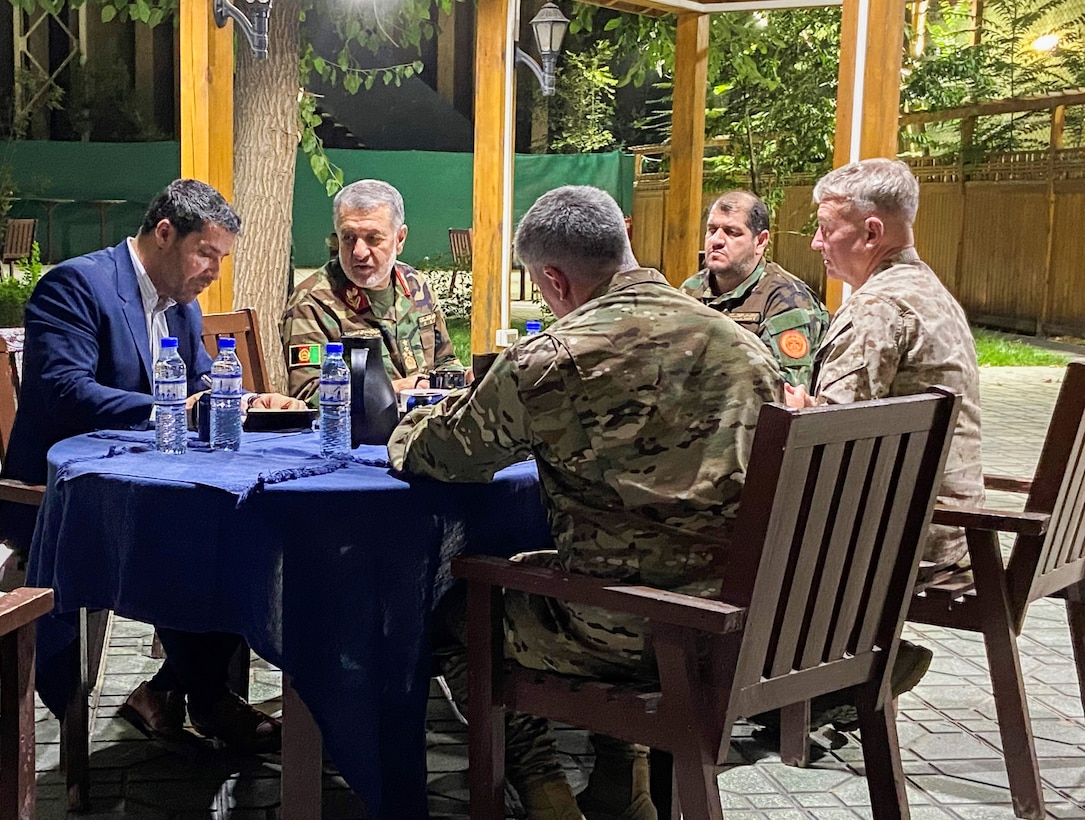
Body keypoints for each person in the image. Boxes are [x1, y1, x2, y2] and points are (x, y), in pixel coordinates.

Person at [389, 186, 782, 820]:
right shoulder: (741, 343)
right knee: (601, 565)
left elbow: (446, 454)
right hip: (739, 624)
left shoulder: (556, 358)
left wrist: (405, 425)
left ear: (553, 278)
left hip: (625, 632)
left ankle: (543, 790)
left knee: (447, 610)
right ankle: (620, 784)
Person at [0, 179, 304, 752]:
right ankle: (208, 700)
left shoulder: (181, 306)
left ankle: (174, 689)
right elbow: (66, 391)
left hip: (153, 481)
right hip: (65, 496)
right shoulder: (75, 286)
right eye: (205, 253)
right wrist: (175, 405)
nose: (214, 270)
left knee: (242, 528)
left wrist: (243, 399)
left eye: (222, 258)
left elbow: (199, 382)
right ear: (164, 233)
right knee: (200, 536)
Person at [786, 158, 985, 582]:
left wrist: (799, 410)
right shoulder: (932, 292)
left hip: (899, 544)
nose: (816, 243)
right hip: (955, 535)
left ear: (872, 232)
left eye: (825, 228)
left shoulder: (875, 308)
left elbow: (826, 445)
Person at [280, 179, 462, 405]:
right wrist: (395, 390)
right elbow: (308, 397)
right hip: (359, 435)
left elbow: (446, 362)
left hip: (425, 428)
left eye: (372, 238)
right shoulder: (313, 303)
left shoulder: (416, 286)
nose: (359, 252)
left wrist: (465, 379)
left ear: (400, 239)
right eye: (348, 238)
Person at [680, 190, 829, 388]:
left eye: (732, 232)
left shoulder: (787, 300)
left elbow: (785, 390)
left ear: (760, 241)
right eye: (712, 230)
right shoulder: (691, 290)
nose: (716, 241)